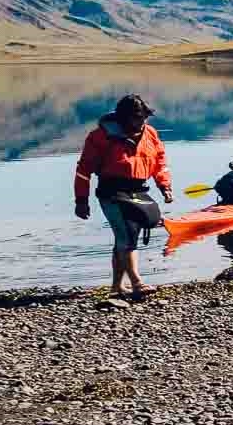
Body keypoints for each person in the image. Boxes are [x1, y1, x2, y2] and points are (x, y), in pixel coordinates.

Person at [74, 94, 173, 298]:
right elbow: (83, 170)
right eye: (137, 118)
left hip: (138, 190)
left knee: (128, 237)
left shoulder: (150, 133)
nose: (141, 121)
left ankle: (117, 287)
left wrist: (165, 186)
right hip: (111, 192)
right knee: (125, 236)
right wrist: (81, 201)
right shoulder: (100, 137)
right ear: (123, 118)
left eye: (144, 117)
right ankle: (137, 283)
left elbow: (159, 162)